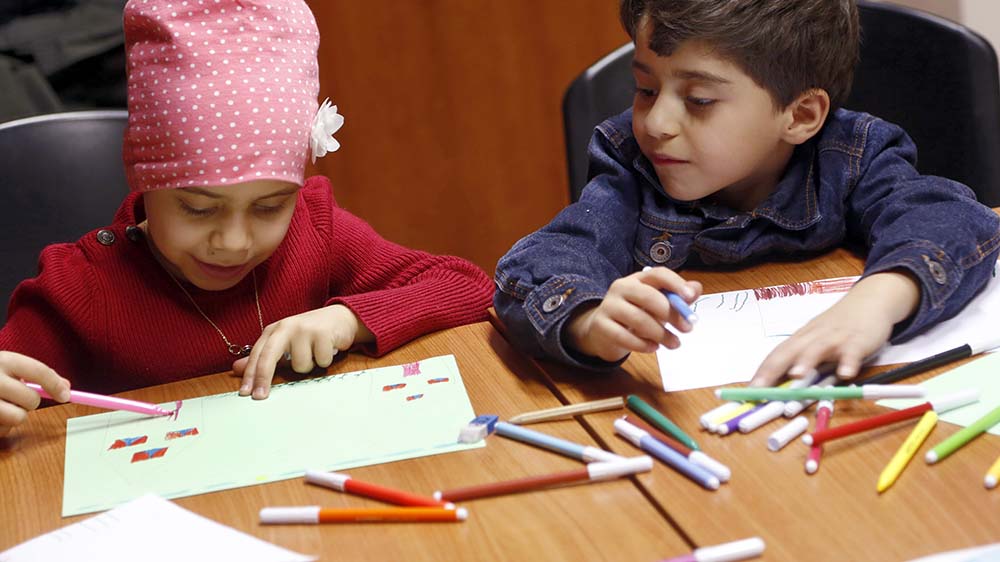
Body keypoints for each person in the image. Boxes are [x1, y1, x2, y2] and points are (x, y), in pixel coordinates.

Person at [0, 0, 494, 437]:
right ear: (144, 182)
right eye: (198, 208)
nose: (234, 241)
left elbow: (468, 286)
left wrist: (350, 319)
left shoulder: (314, 229)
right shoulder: (81, 289)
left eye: (269, 206)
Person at [494, 0, 1000, 388]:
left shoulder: (851, 154)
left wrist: (877, 300)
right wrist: (588, 320)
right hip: (687, 404)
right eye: (646, 89)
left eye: (699, 100)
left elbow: (951, 217)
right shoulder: (631, 164)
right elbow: (542, 262)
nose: (657, 122)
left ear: (800, 116)